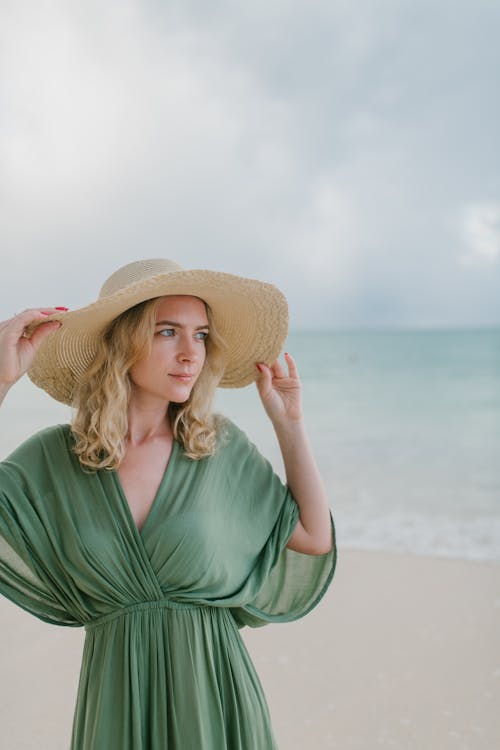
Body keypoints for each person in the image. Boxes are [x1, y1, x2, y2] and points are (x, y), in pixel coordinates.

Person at [0, 258, 336, 750]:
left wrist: (290, 426)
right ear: (123, 342)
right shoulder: (55, 459)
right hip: (116, 703)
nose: (189, 354)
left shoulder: (215, 446)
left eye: (200, 335)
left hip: (217, 700)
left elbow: (312, 537)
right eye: (167, 332)